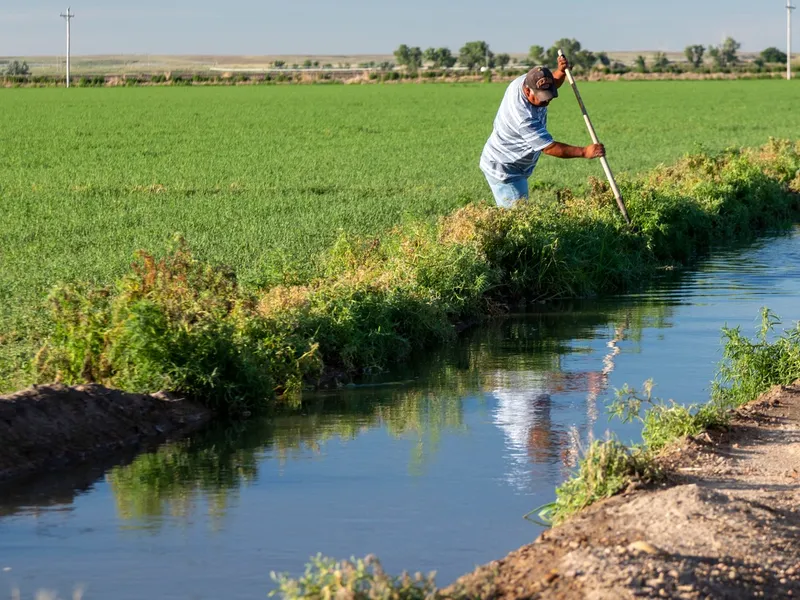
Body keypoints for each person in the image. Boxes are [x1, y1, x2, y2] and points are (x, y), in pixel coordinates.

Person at [479, 56, 606, 208]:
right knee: (518, 217)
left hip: (512, 163)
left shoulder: (526, 80)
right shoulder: (523, 118)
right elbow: (549, 147)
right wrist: (584, 152)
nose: (546, 101)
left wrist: (560, 72)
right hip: (506, 168)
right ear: (527, 91)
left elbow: (551, 83)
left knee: (516, 216)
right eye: (542, 98)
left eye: (549, 96)